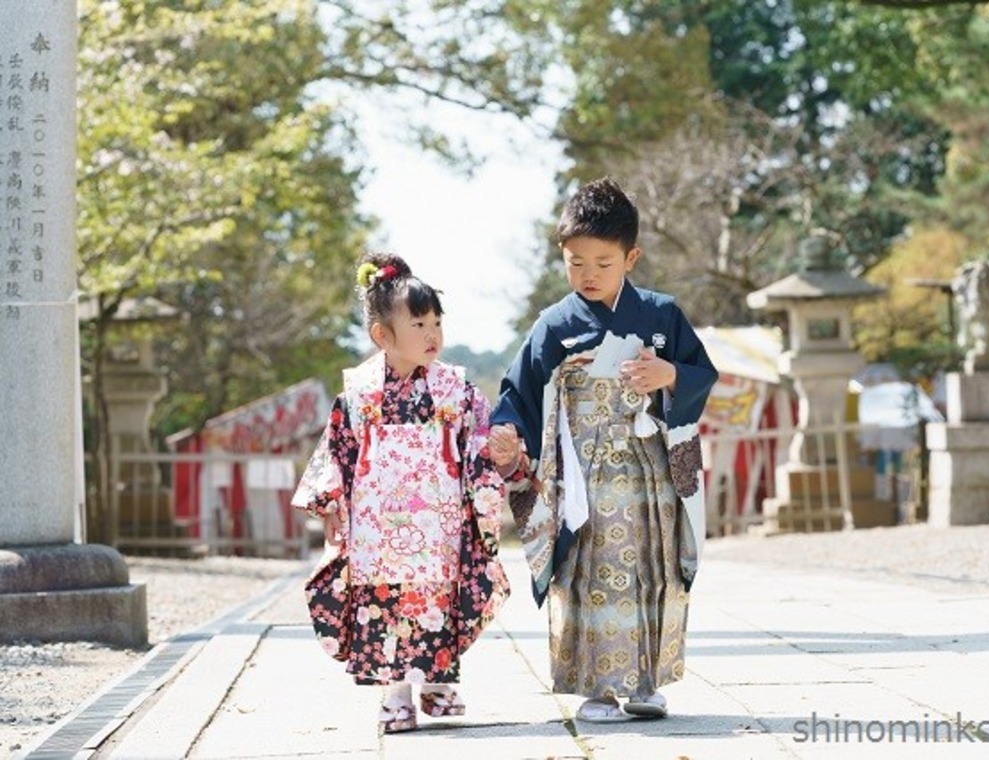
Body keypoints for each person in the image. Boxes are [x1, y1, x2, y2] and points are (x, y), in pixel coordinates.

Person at [488, 177, 717, 723]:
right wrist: (508, 431)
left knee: (650, 567)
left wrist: (668, 374)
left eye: (602, 262)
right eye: (575, 262)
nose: (587, 274)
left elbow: (700, 375)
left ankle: (645, 682)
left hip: (648, 470)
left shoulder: (662, 315)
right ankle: (596, 686)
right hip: (581, 470)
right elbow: (517, 391)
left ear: (630, 256)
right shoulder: (555, 324)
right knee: (589, 571)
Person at [292, 252, 509, 734]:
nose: (433, 334)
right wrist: (333, 503)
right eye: (419, 323)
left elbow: (480, 437)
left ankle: (438, 682)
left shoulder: (455, 388)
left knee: (437, 599)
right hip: (377, 524)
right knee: (382, 603)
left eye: (436, 322)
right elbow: (339, 449)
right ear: (382, 336)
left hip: (439, 521)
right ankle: (395, 694)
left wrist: (490, 465)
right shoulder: (360, 392)